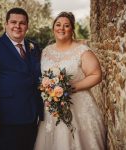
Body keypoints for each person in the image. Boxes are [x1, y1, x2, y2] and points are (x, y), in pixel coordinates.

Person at [35, 12, 107, 150]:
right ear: (53, 28)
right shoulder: (45, 51)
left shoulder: (82, 51)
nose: (62, 28)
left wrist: (70, 87)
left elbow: (96, 75)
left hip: (78, 107)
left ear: (72, 29)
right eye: (58, 24)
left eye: (66, 25)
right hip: (51, 109)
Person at [0, 7, 43, 150]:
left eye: (22, 23)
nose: (17, 26)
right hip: (6, 118)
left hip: (32, 116)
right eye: (13, 22)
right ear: (6, 24)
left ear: (27, 26)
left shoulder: (34, 47)